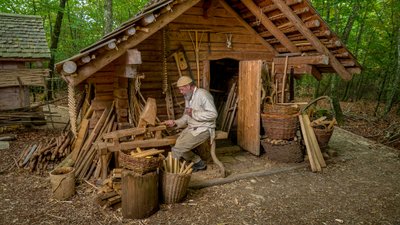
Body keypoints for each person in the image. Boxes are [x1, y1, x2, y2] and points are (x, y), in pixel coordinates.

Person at [164, 76, 218, 172]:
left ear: (188, 86)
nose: (181, 92)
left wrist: (194, 113)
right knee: (177, 145)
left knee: (178, 148)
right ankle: (199, 163)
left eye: (182, 89)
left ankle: (169, 171)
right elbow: (186, 116)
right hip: (192, 128)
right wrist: (175, 122)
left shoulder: (203, 94)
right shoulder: (188, 97)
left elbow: (213, 114)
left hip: (204, 128)